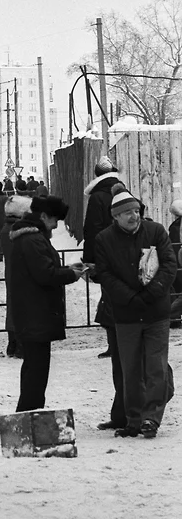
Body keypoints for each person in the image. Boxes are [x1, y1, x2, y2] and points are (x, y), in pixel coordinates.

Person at [94, 183, 176, 438]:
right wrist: (130, 298)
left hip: (156, 313)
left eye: (136, 210)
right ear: (116, 217)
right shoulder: (104, 239)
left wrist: (151, 294)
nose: (134, 215)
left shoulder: (156, 231)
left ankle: (151, 418)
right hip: (127, 314)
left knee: (156, 367)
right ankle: (134, 419)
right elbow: (105, 274)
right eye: (127, 212)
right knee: (130, 370)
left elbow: (169, 266)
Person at [9, 196, 84, 411]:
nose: (56, 225)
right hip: (35, 313)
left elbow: (43, 270)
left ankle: (30, 413)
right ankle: (29, 415)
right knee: (36, 370)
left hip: (33, 312)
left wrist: (70, 269)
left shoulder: (32, 237)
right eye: (55, 220)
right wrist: (71, 273)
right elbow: (45, 274)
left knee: (35, 368)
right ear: (43, 216)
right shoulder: (33, 239)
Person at [83, 156, 123, 361]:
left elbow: (92, 229)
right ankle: (120, 344)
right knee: (118, 298)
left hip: (105, 255)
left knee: (109, 299)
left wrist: (89, 259)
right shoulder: (123, 191)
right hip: (125, 255)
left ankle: (114, 345)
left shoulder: (97, 197)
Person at [0, 195, 33, 358]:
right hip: (23, 274)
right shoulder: (19, 231)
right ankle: (20, 344)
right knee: (23, 308)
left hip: (13, 273)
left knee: (14, 306)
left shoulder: (8, 228)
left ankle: (13, 343)